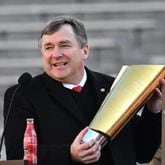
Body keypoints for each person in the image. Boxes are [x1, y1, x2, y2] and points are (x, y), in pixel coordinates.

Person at [3, 15, 165, 165]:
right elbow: (17, 155)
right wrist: (69, 154)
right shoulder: (24, 93)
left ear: (85, 51)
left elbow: (143, 153)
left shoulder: (114, 87)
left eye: (64, 45)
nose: (56, 54)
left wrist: (153, 111)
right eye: (48, 47)